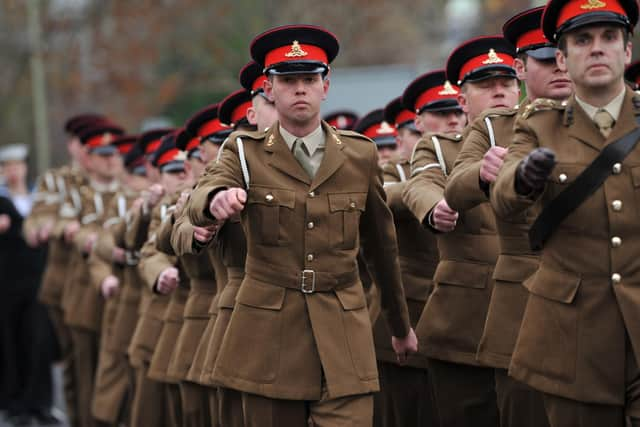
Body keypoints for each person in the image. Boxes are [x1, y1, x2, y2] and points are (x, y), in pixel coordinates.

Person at [187, 24, 416, 427]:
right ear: (269, 89)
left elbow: (381, 248)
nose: (299, 89)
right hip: (269, 338)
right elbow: (201, 194)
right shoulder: (244, 152)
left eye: (309, 79)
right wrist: (215, 201)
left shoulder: (359, 155)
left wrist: (400, 326)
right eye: (287, 81)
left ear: (325, 86)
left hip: (343, 334)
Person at [491, 1, 640, 425]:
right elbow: (503, 198)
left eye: (609, 38)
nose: (597, 49)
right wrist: (523, 178)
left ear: (627, 52)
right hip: (573, 341)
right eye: (582, 40)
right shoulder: (539, 125)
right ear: (562, 57)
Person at [444, 7, 573, 427]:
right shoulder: (495, 128)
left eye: (564, 54)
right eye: (544, 58)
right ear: (521, 67)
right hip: (523, 301)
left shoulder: (621, 121)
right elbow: (454, 185)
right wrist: (482, 175)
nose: (558, 65)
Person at [403, 35, 519, 427]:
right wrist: (436, 208)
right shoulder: (441, 147)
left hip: (534, 307)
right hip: (468, 314)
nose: (499, 93)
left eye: (506, 84)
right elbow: (420, 183)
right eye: (486, 86)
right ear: (464, 100)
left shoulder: (542, 138)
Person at [0, 144, 60, 426]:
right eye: (7, 167)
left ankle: (40, 403)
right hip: (6, 283)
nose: (13, 172)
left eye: (17, 166)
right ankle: (15, 404)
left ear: (25, 168)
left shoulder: (39, 199)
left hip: (38, 280)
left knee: (38, 340)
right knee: (11, 342)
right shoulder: (2, 201)